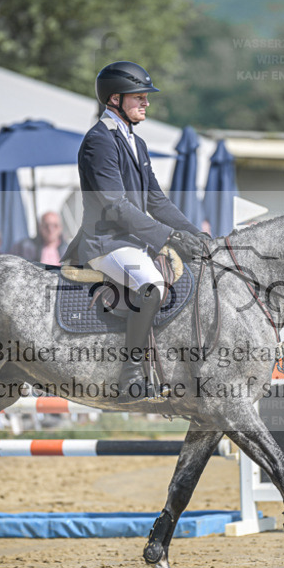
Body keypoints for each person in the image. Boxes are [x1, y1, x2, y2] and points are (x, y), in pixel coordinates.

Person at [64, 61, 205, 405]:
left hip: (132, 241)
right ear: (114, 99)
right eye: (139, 97)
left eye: (146, 97)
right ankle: (130, 372)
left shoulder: (136, 144)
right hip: (106, 242)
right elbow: (115, 205)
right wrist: (167, 237)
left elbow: (156, 201)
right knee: (152, 285)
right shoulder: (99, 141)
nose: (146, 103)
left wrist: (196, 235)